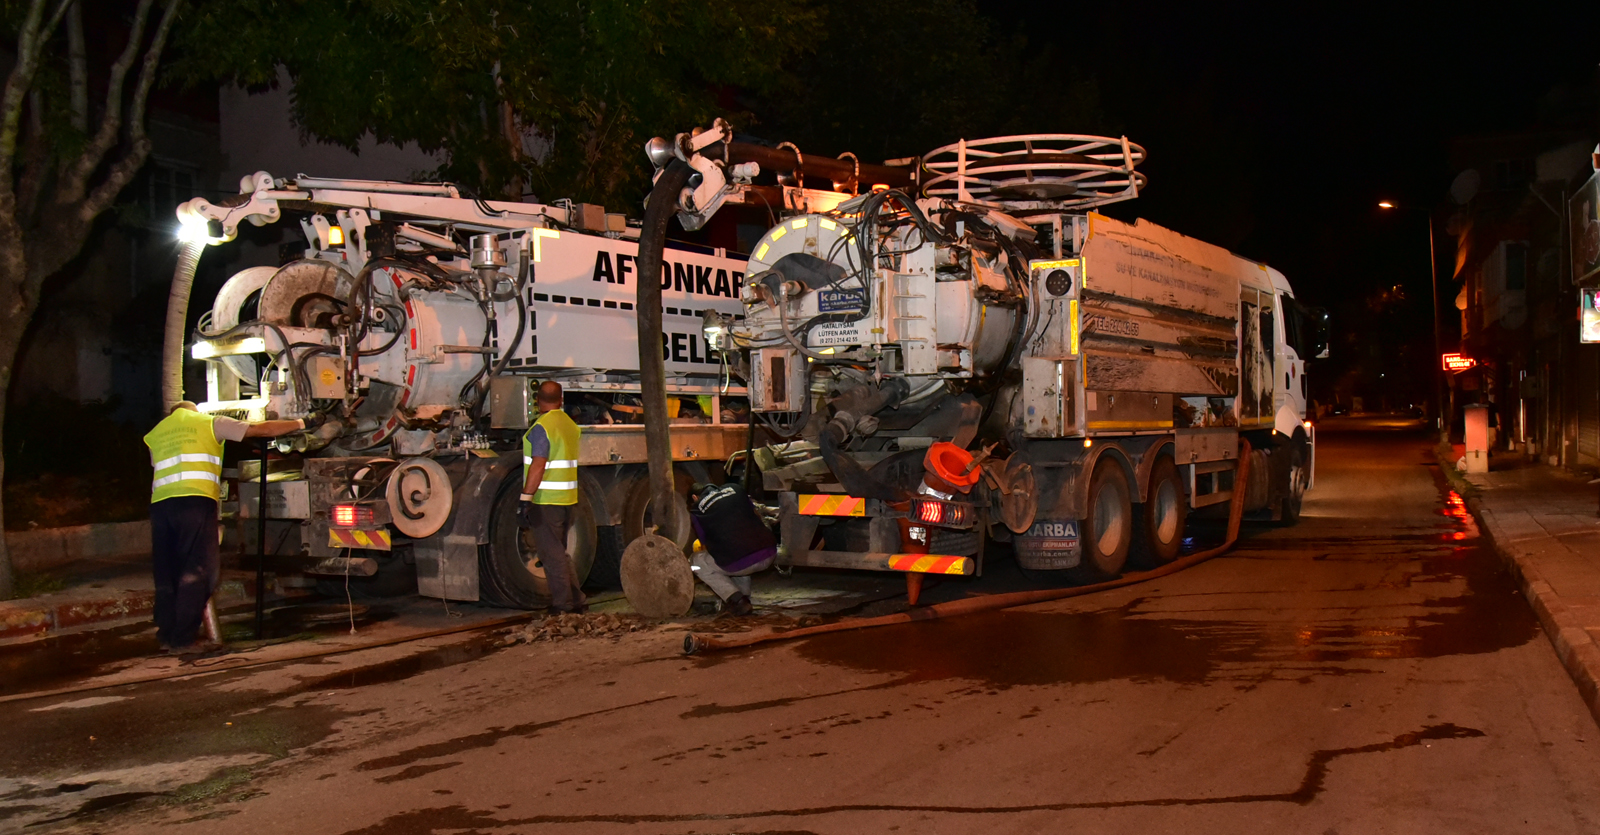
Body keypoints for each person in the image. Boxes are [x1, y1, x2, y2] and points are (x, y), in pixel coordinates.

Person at [144, 401, 311, 653]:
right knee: (198, 570)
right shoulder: (209, 422)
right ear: (193, 411)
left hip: (161, 506)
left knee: (167, 571)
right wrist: (302, 423)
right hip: (195, 502)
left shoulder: (155, 433)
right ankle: (183, 639)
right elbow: (261, 430)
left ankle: (166, 635)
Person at [520, 380, 586, 614]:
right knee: (560, 551)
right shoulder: (569, 425)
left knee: (552, 555)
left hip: (546, 499)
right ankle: (576, 600)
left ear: (537, 401)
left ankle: (563, 606)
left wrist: (525, 497)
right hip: (567, 498)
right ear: (561, 400)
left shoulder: (542, 427)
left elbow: (539, 464)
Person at [687, 482, 777, 616]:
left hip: (741, 562)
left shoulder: (696, 510)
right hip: (769, 553)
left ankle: (737, 600)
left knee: (697, 561)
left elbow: (704, 540)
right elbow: (754, 513)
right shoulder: (736, 489)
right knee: (738, 546)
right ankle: (744, 596)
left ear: (695, 497)